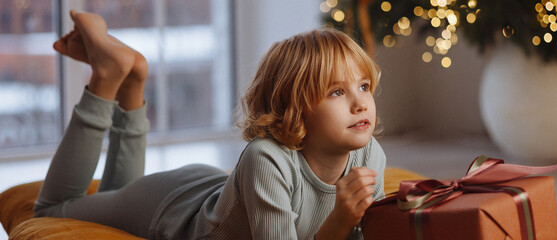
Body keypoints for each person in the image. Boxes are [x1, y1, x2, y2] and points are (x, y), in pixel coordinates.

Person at [34, 10, 386, 240]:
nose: (360, 102)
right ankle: (108, 78)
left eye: (364, 86)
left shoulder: (370, 154)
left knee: (113, 196)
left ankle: (132, 82)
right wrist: (340, 219)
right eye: (337, 91)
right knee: (52, 208)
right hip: (172, 207)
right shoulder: (266, 158)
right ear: (294, 108)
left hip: (214, 189)